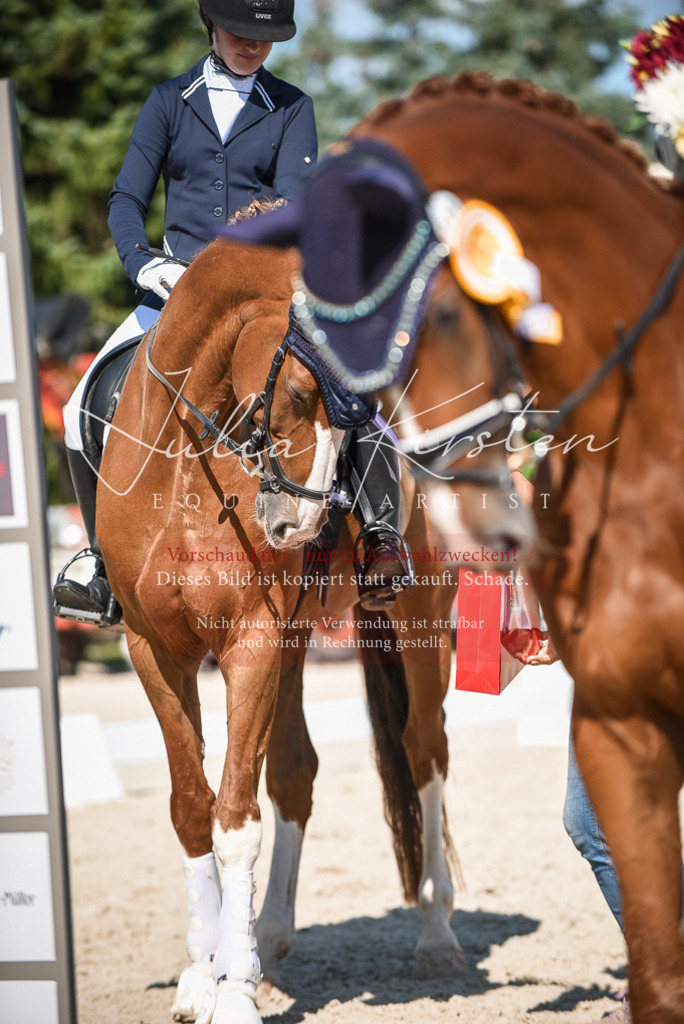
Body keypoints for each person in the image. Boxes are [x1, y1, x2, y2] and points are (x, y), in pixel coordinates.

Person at [53, 0, 319, 621]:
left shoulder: (292, 106)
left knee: (335, 388)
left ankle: (371, 539)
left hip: (258, 300)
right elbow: (127, 197)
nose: (253, 45)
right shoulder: (170, 100)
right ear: (211, 25)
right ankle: (100, 563)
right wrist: (145, 264)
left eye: (265, 36)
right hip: (170, 293)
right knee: (74, 411)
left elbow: (295, 204)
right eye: (240, 32)